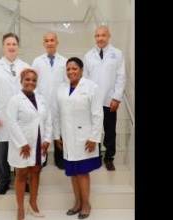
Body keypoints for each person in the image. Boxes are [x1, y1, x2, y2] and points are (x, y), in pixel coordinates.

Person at [53, 57, 103, 219]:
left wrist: (94, 137)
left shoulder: (91, 87)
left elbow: (97, 114)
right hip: (68, 137)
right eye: (68, 69)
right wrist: (56, 135)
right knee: (73, 173)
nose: (71, 72)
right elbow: (56, 114)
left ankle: (86, 203)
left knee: (82, 172)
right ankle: (77, 202)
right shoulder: (61, 88)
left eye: (74, 68)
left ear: (81, 70)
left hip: (85, 138)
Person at [0, 32, 30, 195]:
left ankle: (23, 180)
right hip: (2, 117)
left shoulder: (25, 66)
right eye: (8, 44)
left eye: (14, 44)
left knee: (21, 149)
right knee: (2, 151)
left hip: (21, 117)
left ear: (18, 47)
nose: (11, 47)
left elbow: (31, 90)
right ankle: (3, 181)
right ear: (3, 47)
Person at [6, 68, 52, 220]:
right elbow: (11, 122)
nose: (30, 82)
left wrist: (46, 140)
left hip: (39, 143)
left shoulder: (42, 99)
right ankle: (20, 208)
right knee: (21, 175)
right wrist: (22, 143)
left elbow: (48, 120)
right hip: (22, 144)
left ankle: (33, 203)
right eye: (27, 79)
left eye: (33, 80)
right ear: (21, 80)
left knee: (36, 172)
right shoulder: (15, 100)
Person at [83, 25, 126, 171]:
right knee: (94, 129)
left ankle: (109, 158)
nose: (100, 38)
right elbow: (85, 79)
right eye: (97, 36)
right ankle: (95, 157)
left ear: (109, 36)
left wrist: (116, 98)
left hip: (109, 100)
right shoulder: (88, 55)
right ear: (94, 37)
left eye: (103, 35)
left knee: (110, 130)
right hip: (92, 101)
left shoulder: (117, 54)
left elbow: (121, 77)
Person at [31, 32, 68, 169]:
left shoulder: (64, 62)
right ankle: (43, 156)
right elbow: (32, 81)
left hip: (59, 103)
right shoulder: (37, 61)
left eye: (52, 40)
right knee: (43, 130)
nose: (50, 43)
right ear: (44, 44)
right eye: (47, 41)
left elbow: (67, 83)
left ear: (57, 43)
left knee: (60, 130)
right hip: (42, 102)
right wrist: (35, 100)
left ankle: (60, 158)